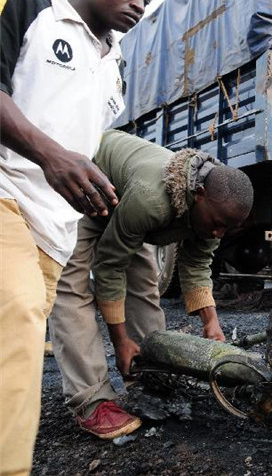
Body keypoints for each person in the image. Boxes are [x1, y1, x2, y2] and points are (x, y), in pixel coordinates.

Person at [0, 0, 154, 473]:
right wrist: (49, 156)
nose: (138, 4)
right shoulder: (27, 5)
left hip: (55, 229)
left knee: (11, 350)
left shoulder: (115, 68)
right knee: (19, 324)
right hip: (7, 195)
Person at [49, 130, 254, 439]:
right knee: (72, 285)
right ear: (198, 194)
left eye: (229, 228)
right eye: (218, 224)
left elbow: (197, 266)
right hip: (85, 187)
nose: (220, 234)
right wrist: (120, 342)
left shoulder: (212, 208)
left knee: (144, 286)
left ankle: (150, 375)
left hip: (126, 203)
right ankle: (92, 400)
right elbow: (108, 266)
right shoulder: (153, 199)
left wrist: (211, 324)